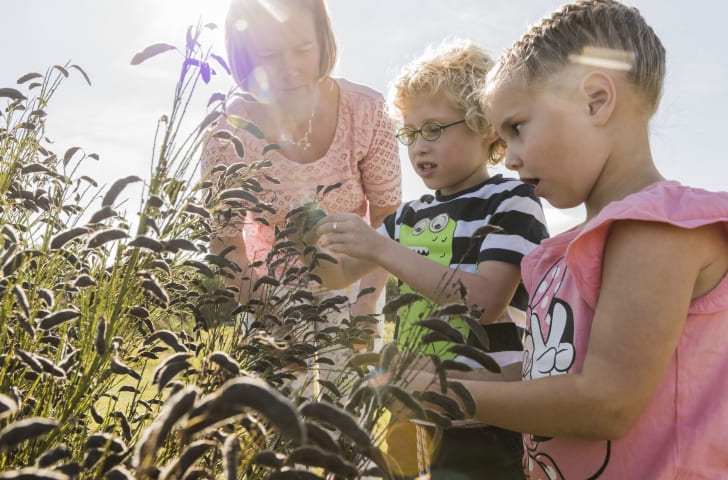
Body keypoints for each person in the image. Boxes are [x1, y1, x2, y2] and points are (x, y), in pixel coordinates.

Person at [398, 1, 728, 478]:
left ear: (595, 100)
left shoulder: (658, 229)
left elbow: (605, 402)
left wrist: (446, 393)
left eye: (517, 128)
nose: (508, 158)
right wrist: (435, 378)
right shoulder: (565, 252)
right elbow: (548, 374)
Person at [305, 39, 548, 479]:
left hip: (484, 419)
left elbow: (483, 304)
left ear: (485, 127)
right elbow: (340, 275)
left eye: (434, 129)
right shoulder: (408, 217)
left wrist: (381, 248)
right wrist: (310, 236)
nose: (419, 146)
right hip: (409, 408)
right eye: (411, 132)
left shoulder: (512, 201)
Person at [200, 0, 401, 383]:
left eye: (303, 50)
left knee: (347, 416)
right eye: (270, 54)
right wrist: (270, 318)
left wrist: (365, 303)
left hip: (352, 279)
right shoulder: (228, 133)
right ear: (245, 56)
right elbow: (226, 244)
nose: (290, 68)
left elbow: (387, 218)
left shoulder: (367, 110)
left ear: (323, 42)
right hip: (264, 290)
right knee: (279, 422)